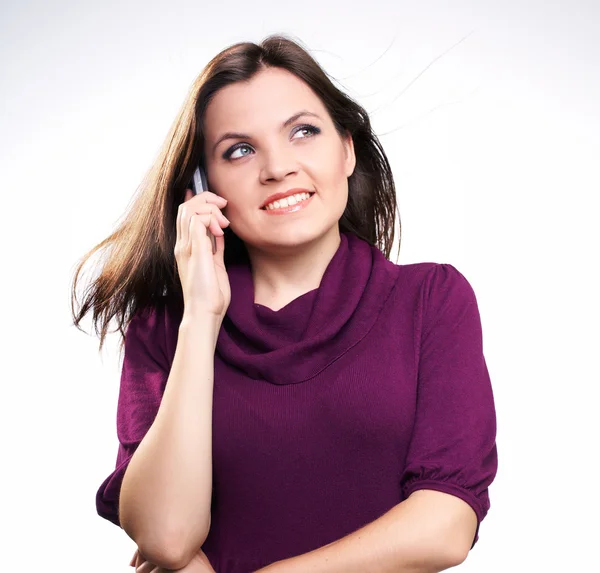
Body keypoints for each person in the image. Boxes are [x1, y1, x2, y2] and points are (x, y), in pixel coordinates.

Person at [71, 34, 498, 573]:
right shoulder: (167, 328)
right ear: (202, 186)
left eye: (303, 132)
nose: (278, 167)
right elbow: (166, 536)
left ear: (346, 149)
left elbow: (445, 525)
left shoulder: (431, 301)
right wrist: (201, 316)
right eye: (240, 150)